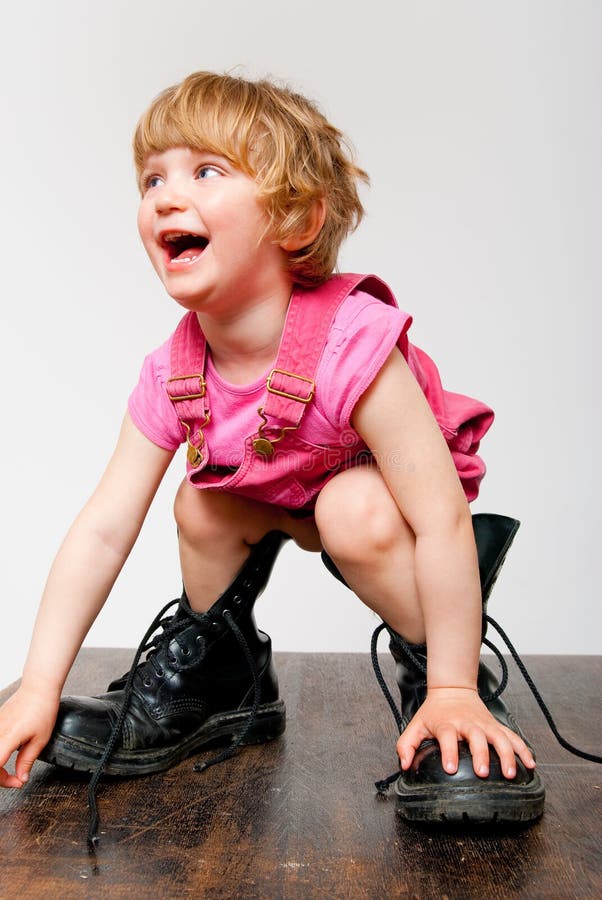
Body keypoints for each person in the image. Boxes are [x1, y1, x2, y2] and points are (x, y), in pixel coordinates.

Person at [0, 71, 543, 833]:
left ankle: (446, 676)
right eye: (152, 176)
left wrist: (453, 683)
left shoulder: (353, 342)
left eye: (205, 171)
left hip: (386, 515)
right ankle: (220, 671)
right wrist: (38, 685)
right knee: (201, 496)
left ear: (295, 219)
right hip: (279, 495)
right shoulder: (172, 369)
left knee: (351, 508)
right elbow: (103, 527)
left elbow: (443, 518)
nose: (163, 194)